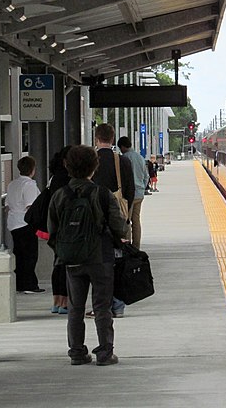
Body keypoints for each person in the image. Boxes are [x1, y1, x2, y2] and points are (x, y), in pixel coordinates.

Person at [47, 145, 129, 366]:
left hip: (72, 259)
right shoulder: (102, 194)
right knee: (102, 306)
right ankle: (104, 353)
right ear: (95, 167)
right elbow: (120, 226)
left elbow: (52, 231)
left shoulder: (59, 196)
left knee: (75, 307)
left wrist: (64, 250)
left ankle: (76, 352)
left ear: (67, 166)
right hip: (100, 257)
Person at [92, 123, 135, 318]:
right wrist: (126, 216)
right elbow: (130, 191)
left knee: (98, 265)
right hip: (117, 220)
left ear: (96, 138)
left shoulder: (90, 160)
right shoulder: (122, 161)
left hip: (94, 221)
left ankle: (102, 305)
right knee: (118, 263)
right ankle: (118, 305)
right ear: (112, 138)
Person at [6, 156, 44, 293]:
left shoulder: (12, 184)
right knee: (30, 255)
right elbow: (31, 206)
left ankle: (20, 282)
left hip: (13, 223)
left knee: (20, 254)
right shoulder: (29, 185)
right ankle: (29, 284)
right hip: (25, 223)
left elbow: (7, 206)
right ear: (33, 170)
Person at [48, 146, 72, 314]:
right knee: (66, 265)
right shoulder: (67, 179)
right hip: (68, 227)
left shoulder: (54, 178)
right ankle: (65, 302)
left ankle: (57, 301)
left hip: (56, 228)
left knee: (57, 264)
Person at [117, 136, 149, 249]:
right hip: (139, 194)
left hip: (128, 196)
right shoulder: (140, 157)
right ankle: (136, 246)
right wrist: (141, 188)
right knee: (136, 220)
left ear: (123, 147)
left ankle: (128, 246)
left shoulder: (124, 158)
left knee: (126, 221)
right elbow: (146, 176)